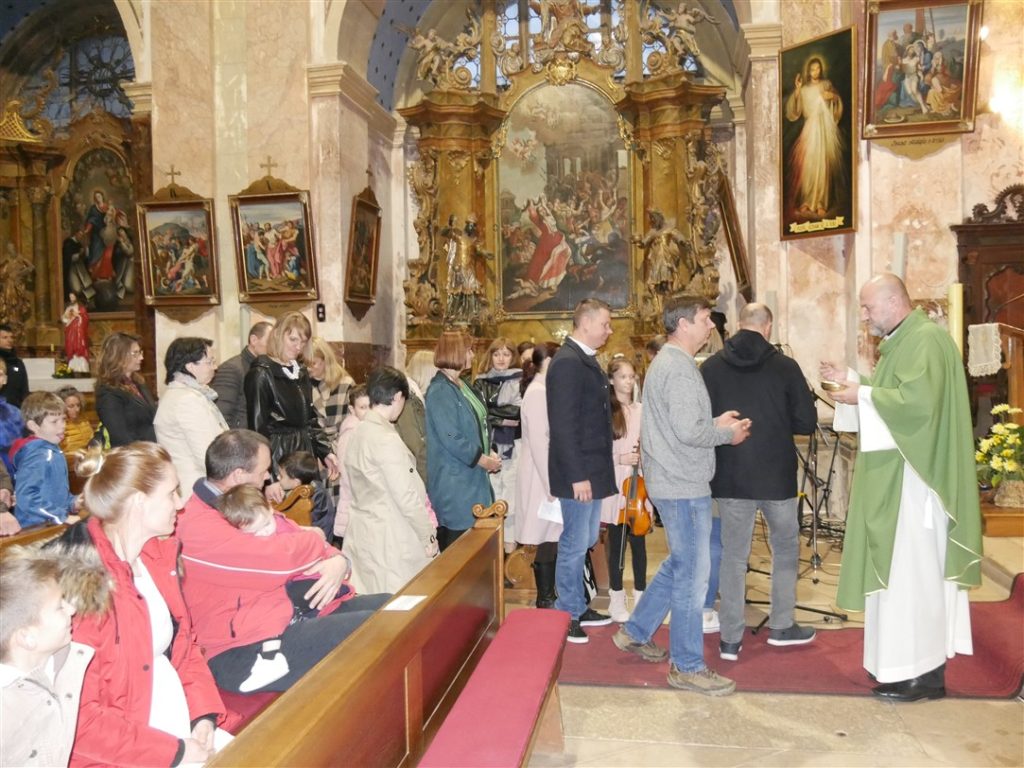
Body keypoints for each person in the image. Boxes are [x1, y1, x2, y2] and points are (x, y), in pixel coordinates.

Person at [822, 274, 982, 701]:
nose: (865, 315)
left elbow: (919, 408)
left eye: (869, 306)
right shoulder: (903, 341)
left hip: (917, 482)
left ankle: (924, 676)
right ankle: (899, 668)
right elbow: (892, 394)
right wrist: (853, 383)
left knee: (914, 580)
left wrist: (861, 395)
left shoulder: (926, 340)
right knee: (898, 578)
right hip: (899, 477)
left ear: (894, 301)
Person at [46, 442, 230, 765]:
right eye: (171, 493)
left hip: (173, 721)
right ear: (138, 502)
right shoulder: (80, 587)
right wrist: (175, 752)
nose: (180, 504)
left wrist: (202, 715)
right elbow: (79, 721)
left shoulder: (155, 558)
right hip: (122, 751)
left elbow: (184, 648)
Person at [175, 429, 389, 693]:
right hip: (241, 649)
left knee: (394, 607)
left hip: (285, 615)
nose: (268, 476)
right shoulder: (197, 525)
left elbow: (293, 535)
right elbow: (280, 560)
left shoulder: (241, 500)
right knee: (376, 629)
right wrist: (316, 536)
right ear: (238, 475)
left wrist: (338, 561)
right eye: (264, 470)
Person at [614, 294, 750, 696]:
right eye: (705, 319)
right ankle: (687, 666)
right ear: (684, 324)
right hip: (682, 484)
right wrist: (727, 434)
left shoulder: (670, 362)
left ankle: (636, 631)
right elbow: (689, 432)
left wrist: (714, 422)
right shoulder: (677, 367)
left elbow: (681, 424)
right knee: (693, 575)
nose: (711, 326)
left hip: (674, 479)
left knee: (681, 563)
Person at [701, 303, 818, 662]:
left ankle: (730, 639)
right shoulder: (785, 367)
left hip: (731, 474)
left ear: (739, 325)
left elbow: (701, 422)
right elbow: (806, 422)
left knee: (733, 557)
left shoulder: (711, 367)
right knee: (785, 550)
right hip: (776, 476)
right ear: (768, 327)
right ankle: (782, 626)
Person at [547, 298, 617, 643]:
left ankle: (577, 603)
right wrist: (577, 475)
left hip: (591, 469)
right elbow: (563, 426)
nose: (609, 330)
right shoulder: (567, 363)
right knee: (575, 543)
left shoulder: (582, 359)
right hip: (579, 473)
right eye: (605, 324)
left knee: (586, 539)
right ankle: (568, 612)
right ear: (585, 323)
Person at [344, 366, 437, 593]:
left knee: (371, 600)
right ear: (397, 397)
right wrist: (427, 535)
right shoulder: (385, 438)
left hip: (363, 531)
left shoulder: (359, 432)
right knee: (400, 602)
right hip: (390, 535)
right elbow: (405, 495)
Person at [0, 551, 93, 768]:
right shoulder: (6, 711)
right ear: (27, 638)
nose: (72, 610)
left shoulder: (64, 660)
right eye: (60, 606)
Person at [214, 485, 355, 624]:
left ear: (270, 510)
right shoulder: (244, 548)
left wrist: (336, 558)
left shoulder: (284, 526)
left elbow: (320, 545)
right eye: (255, 531)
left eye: (266, 524)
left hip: (312, 576)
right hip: (289, 590)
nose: (265, 532)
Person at [245, 312, 339, 502]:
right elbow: (257, 432)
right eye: (293, 339)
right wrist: (270, 478)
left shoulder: (300, 371)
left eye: (303, 342)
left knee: (313, 511)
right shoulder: (261, 373)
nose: (298, 347)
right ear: (278, 334)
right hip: (279, 459)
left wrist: (326, 452)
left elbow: (310, 419)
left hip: (304, 456)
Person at [425, 330, 499, 551]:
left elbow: (480, 423)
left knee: (477, 548)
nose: (473, 355)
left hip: (473, 478)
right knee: (459, 549)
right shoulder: (440, 390)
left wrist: (489, 450)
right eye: (468, 350)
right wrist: (482, 459)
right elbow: (451, 436)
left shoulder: (461, 384)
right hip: (456, 482)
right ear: (455, 352)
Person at [600, 356, 651, 623]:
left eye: (632, 376)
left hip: (638, 483)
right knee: (617, 543)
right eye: (623, 377)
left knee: (639, 542)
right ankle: (616, 597)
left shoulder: (642, 409)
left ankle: (641, 595)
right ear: (611, 380)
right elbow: (597, 452)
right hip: (616, 480)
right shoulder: (606, 411)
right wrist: (620, 458)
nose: (628, 381)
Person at [515, 341, 563, 608]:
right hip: (540, 475)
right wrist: (550, 483)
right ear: (548, 362)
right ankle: (545, 598)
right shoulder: (537, 392)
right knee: (545, 535)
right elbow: (538, 442)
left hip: (547, 472)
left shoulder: (545, 388)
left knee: (551, 535)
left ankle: (549, 595)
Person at [154, 337, 229, 494]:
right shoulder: (186, 400)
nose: (215, 367)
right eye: (210, 362)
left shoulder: (185, 394)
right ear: (190, 366)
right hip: (196, 489)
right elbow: (207, 455)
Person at [474, 337, 524, 552]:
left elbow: (518, 412)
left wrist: (492, 413)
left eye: (506, 354)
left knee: (512, 494)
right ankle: (493, 549)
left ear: (513, 357)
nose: (501, 359)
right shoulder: (480, 381)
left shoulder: (521, 380)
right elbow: (480, 413)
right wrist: (499, 416)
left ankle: (510, 549)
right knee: (492, 493)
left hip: (515, 445)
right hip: (489, 445)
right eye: (496, 354)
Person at [784, 56, 845, 219]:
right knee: (808, 166)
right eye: (812, 69)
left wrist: (832, 98)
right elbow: (795, 112)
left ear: (821, 70)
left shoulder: (826, 85)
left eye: (818, 68)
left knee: (822, 165)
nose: (815, 72)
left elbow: (836, 102)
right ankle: (806, 200)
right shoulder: (804, 89)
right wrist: (797, 91)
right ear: (808, 71)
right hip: (809, 130)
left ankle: (820, 203)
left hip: (823, 130)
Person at [10, 392, 80, 528]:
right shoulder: (38, 455)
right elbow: (27, 498)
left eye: (63, 419)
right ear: (33, 426)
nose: (62, 426)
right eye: (54, 422)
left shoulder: (51, 450)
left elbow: (55, 493)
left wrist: (73, 503)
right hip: (36, 527)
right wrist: (62, 517)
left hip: (51, 522)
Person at [307, 337, 354, 506]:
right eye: (306, 364)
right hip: (315, 450)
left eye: (313, 363)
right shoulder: (303, 385)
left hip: (341, 446)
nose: (309, 368)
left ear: (325, 360)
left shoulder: (345, 384)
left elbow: (352, 420)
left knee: (341, 501)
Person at [95, 332, 158, 446]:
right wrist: (140, 454)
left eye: (140, 352)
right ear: (119, 356)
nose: (141, 357)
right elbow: (119, 436)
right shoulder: (109, 392)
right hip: (133, 453)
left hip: (150, 449)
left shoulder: (138, 383)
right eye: (135, 353)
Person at [211, 320, 274, 429]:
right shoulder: (231, 368)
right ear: (254, 340)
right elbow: (222, 415)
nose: (273, 348)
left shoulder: (268, 368)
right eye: (270, 342)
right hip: (241, 436)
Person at [334, 385, 370, 546]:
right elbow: (347, 472)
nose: (367, 412)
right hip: (356, 504)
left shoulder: (366, 428)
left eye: (370, 406)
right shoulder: (351, 432)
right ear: (351, 409)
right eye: (362, 407)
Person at [279, 450, 334, 542]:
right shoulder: (301, 487)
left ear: (296, 482)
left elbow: (301, 520)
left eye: (281, 476)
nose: (277, 477)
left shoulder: (316, 495)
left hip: (319, 540)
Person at [56, 386, 94, 455]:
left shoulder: (84, 421)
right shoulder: (58, 426)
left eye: (78, 405)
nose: (77, 409)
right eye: (71, 406)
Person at [61, 292, 90, 372]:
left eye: (73, 296)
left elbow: (85, 318)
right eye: (70, 297)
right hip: (70, 329)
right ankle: (72, 361)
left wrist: (78, 316)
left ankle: (81, 366)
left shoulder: (81, 308)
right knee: (70, 343)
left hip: (79, 330)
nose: (71, 298)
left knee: (79, 344)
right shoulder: (69, 307)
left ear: (76, 297)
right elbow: (64, 319)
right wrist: (68, 316)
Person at [0, 324, 28, 408]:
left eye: (11, 337)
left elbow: (24, 388)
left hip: (15, 407)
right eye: (5, 337)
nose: (10, 340)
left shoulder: (17, 362)